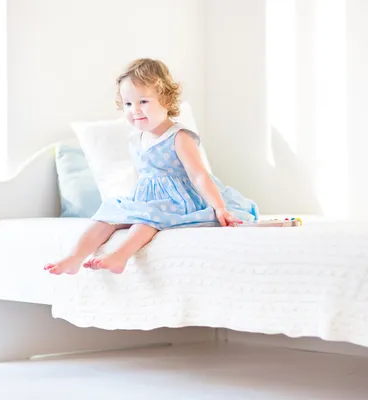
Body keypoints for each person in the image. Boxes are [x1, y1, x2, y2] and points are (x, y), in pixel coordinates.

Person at [44, 58, 259, 275]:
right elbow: (142, 176)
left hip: (179, 198)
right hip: (147, 198)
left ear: (165, 99)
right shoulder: (136, 139)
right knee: (107, 216)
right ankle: (74, 258)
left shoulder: (179, 137)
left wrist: (220, 207)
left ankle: (120, 257)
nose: (135, 110)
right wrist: (132, 204)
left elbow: (199, 176)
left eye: (143, 102)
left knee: (146, 220)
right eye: (128, 104)